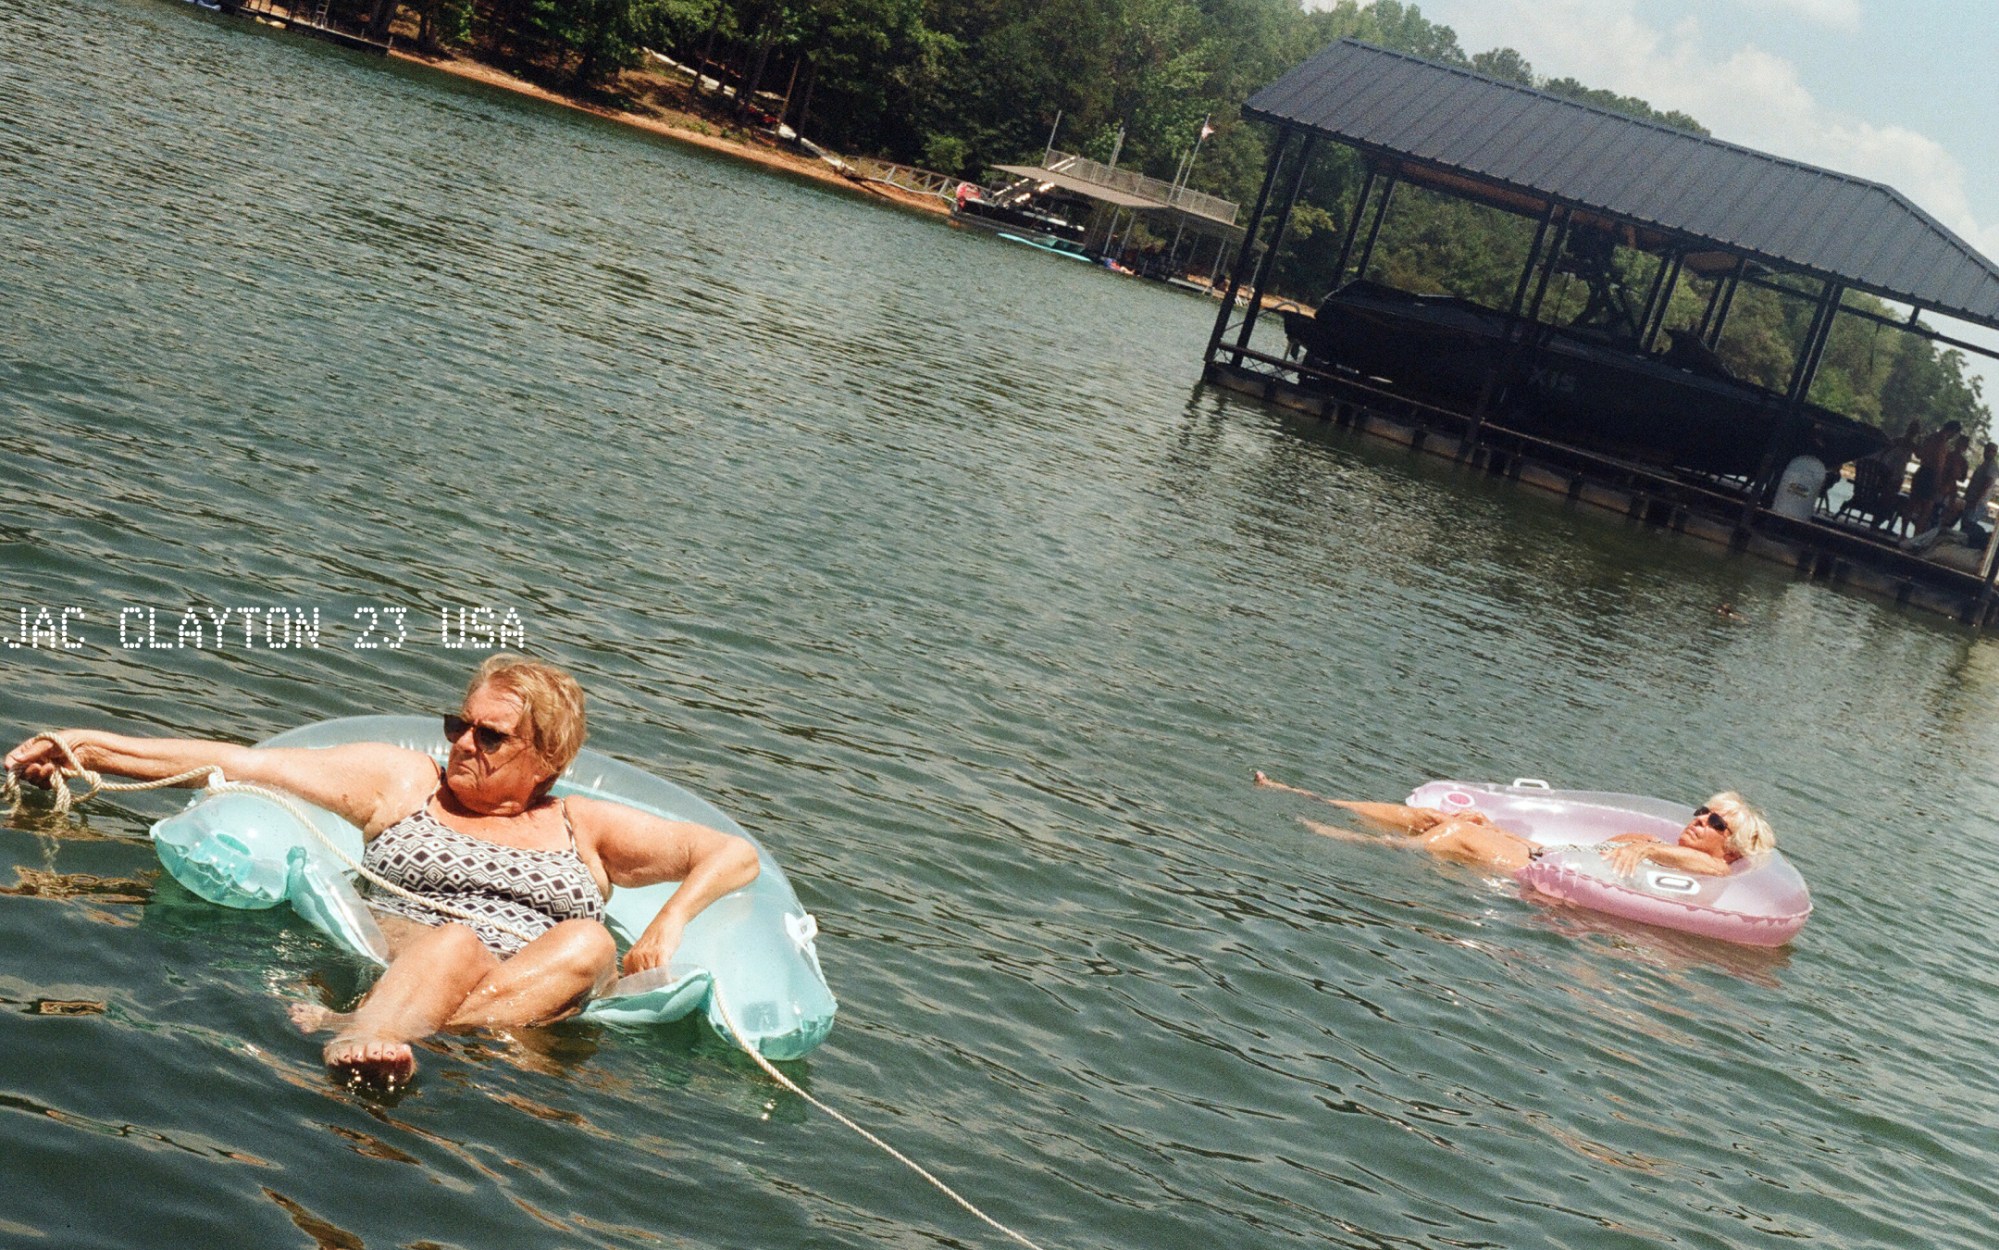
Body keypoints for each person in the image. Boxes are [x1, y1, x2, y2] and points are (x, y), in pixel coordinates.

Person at [4, 655, 760, 1086]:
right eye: (458, 724)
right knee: (456, 942)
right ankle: (372, 1036)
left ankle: (379, 1030)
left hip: (531, 988)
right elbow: (241, 764)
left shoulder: (583, 824)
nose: (462, 744)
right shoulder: (405, 784)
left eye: (490, 736)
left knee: (590, 943)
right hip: (419, 948)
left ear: (549, 757)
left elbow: (733, 853)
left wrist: (669, 920)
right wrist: (87, 747)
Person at [1252, 771, 1773, 877]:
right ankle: (1308, 795)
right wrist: (1497, 829)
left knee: (1454, 835)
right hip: (1538, 856)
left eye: (1716, 822)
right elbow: (1567, 851)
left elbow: (1714, 870)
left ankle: (1342, 838)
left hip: (1533, 875)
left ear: (1731, 847)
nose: (1700, 820)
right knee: (1437, 817)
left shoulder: (1715, 870)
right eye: (1701, 810)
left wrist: (1653, 853)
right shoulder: (1649, 837)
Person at [1961, 442, 1999, 546]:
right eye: (1986, 450)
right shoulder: (1984, 464)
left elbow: (1987, 484)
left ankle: (1966, 545)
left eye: (1990, 450)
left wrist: (1977, 500)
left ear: (1994, 453)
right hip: (1972, 499)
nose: (1986, 452)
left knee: (1968, 525)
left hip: (1978, 502)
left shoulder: (1992, 466)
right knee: (1965, 523)